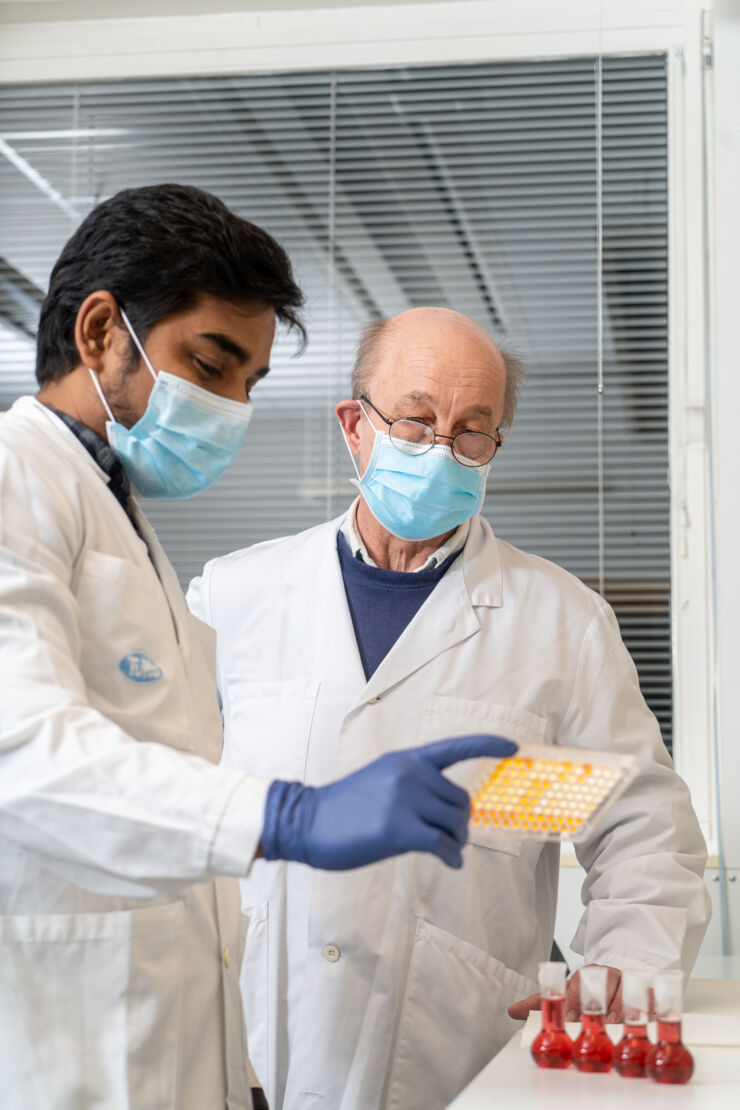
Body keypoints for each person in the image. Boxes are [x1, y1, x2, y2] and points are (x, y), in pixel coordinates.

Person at [0, 190, 517, 1110]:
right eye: (211, 362)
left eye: (252, 380)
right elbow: (24, 759)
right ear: (99, 333)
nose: (233, 406)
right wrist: (293, 818)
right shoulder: (16, 481)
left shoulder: (117, 516)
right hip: (65, 1051)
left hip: (178, 1053)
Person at [188, 306, 712, 1110]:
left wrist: (612, 982)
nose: (442, 450)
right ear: (354, 426)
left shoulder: (561, 622)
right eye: (415, 419)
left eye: (472, 430)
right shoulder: (233, 598)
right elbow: (164, 808)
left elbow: (647, 838)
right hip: (251, 1053)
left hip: (459, 1061)